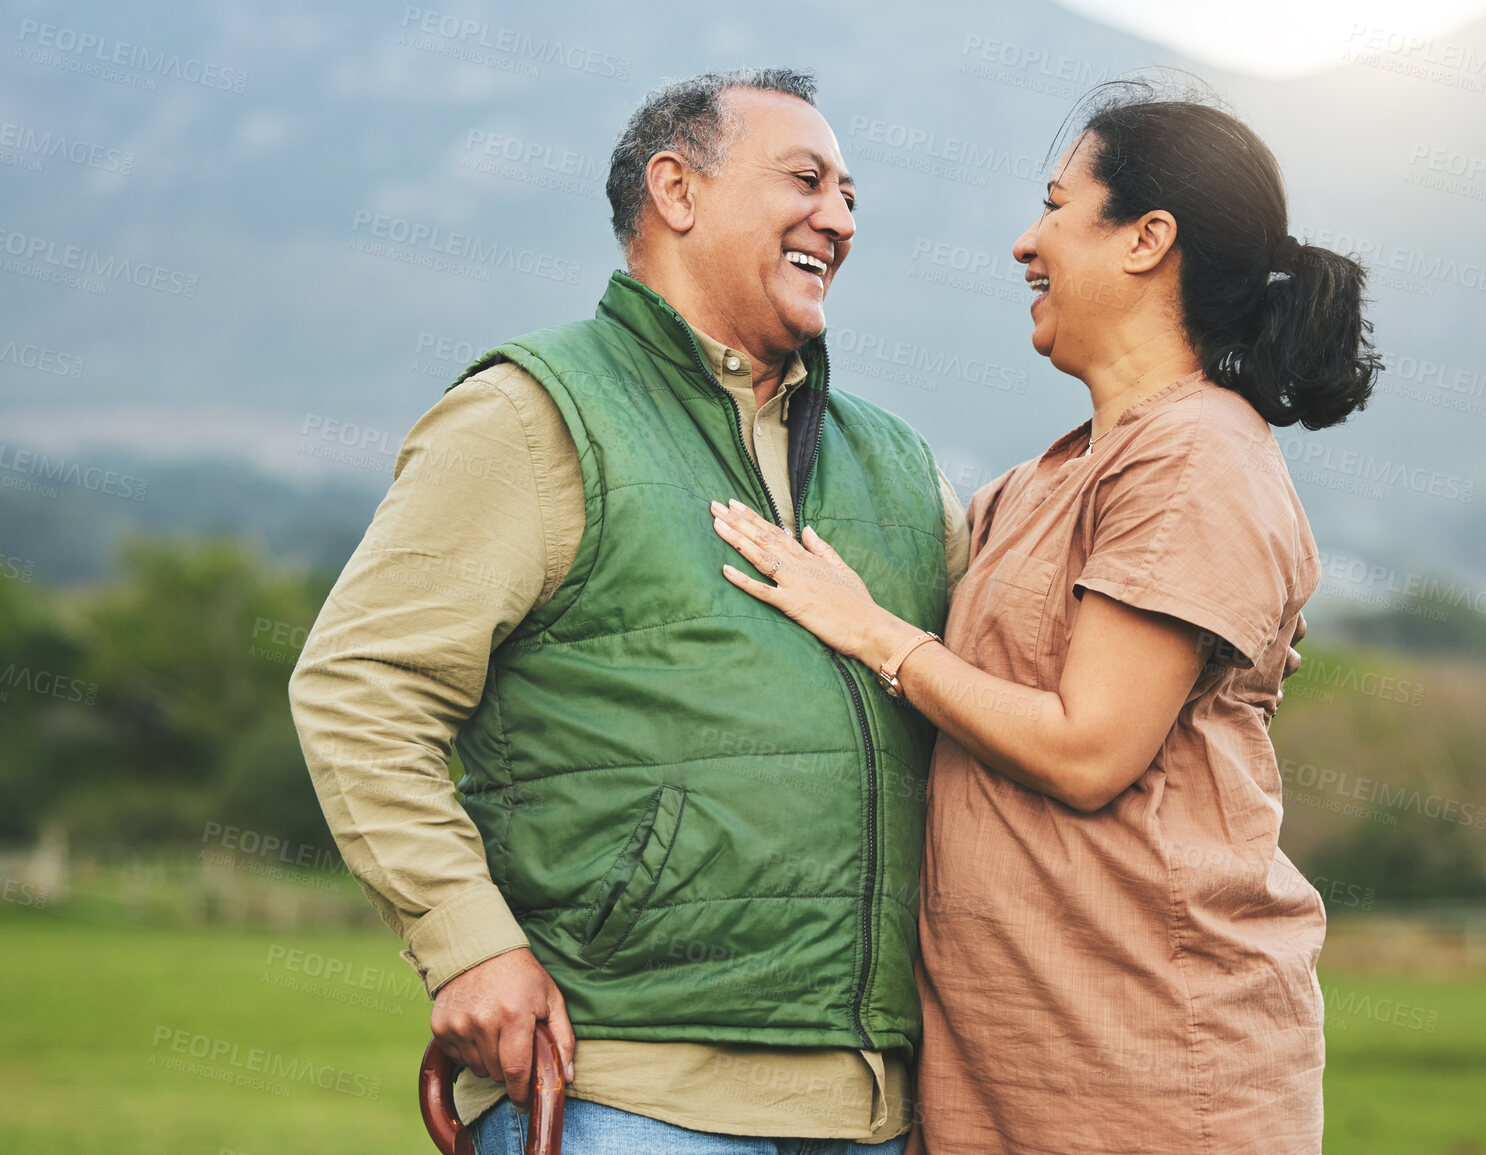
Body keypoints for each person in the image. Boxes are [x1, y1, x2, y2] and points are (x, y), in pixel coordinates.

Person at [289, 68, 973, 1154]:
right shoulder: (529, 415)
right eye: (806, 179)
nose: (839, 218)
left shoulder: (899, 466)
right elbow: (360, 687)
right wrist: (467, 945)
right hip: (627, 1096)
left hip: (883, 1111)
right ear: (677, 189)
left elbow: (1012, 680)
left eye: (851, 196)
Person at [707, 82, 1378, 1155]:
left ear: (1147, 240)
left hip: (1152, 1069)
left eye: (1059, 207)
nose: (1028, 242)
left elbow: (1089, 749)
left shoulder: (1197, 455)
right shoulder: (1040, 482)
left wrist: (876, 634)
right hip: (1008, 1075)